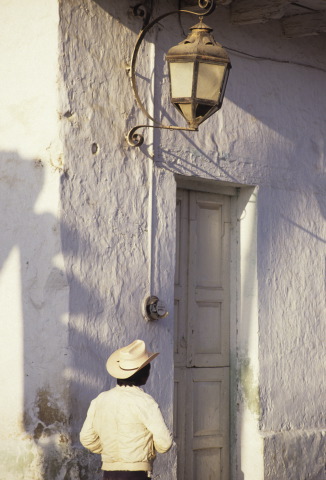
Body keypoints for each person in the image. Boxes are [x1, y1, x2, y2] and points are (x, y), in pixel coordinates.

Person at [80, 339, 172, 480]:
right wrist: (148, 451)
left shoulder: (100, 400)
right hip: (137, 473)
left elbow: (86, 438)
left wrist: (110, 453)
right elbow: (164, 443)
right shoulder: (144, 401)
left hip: (109, 473)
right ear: (144, 374)